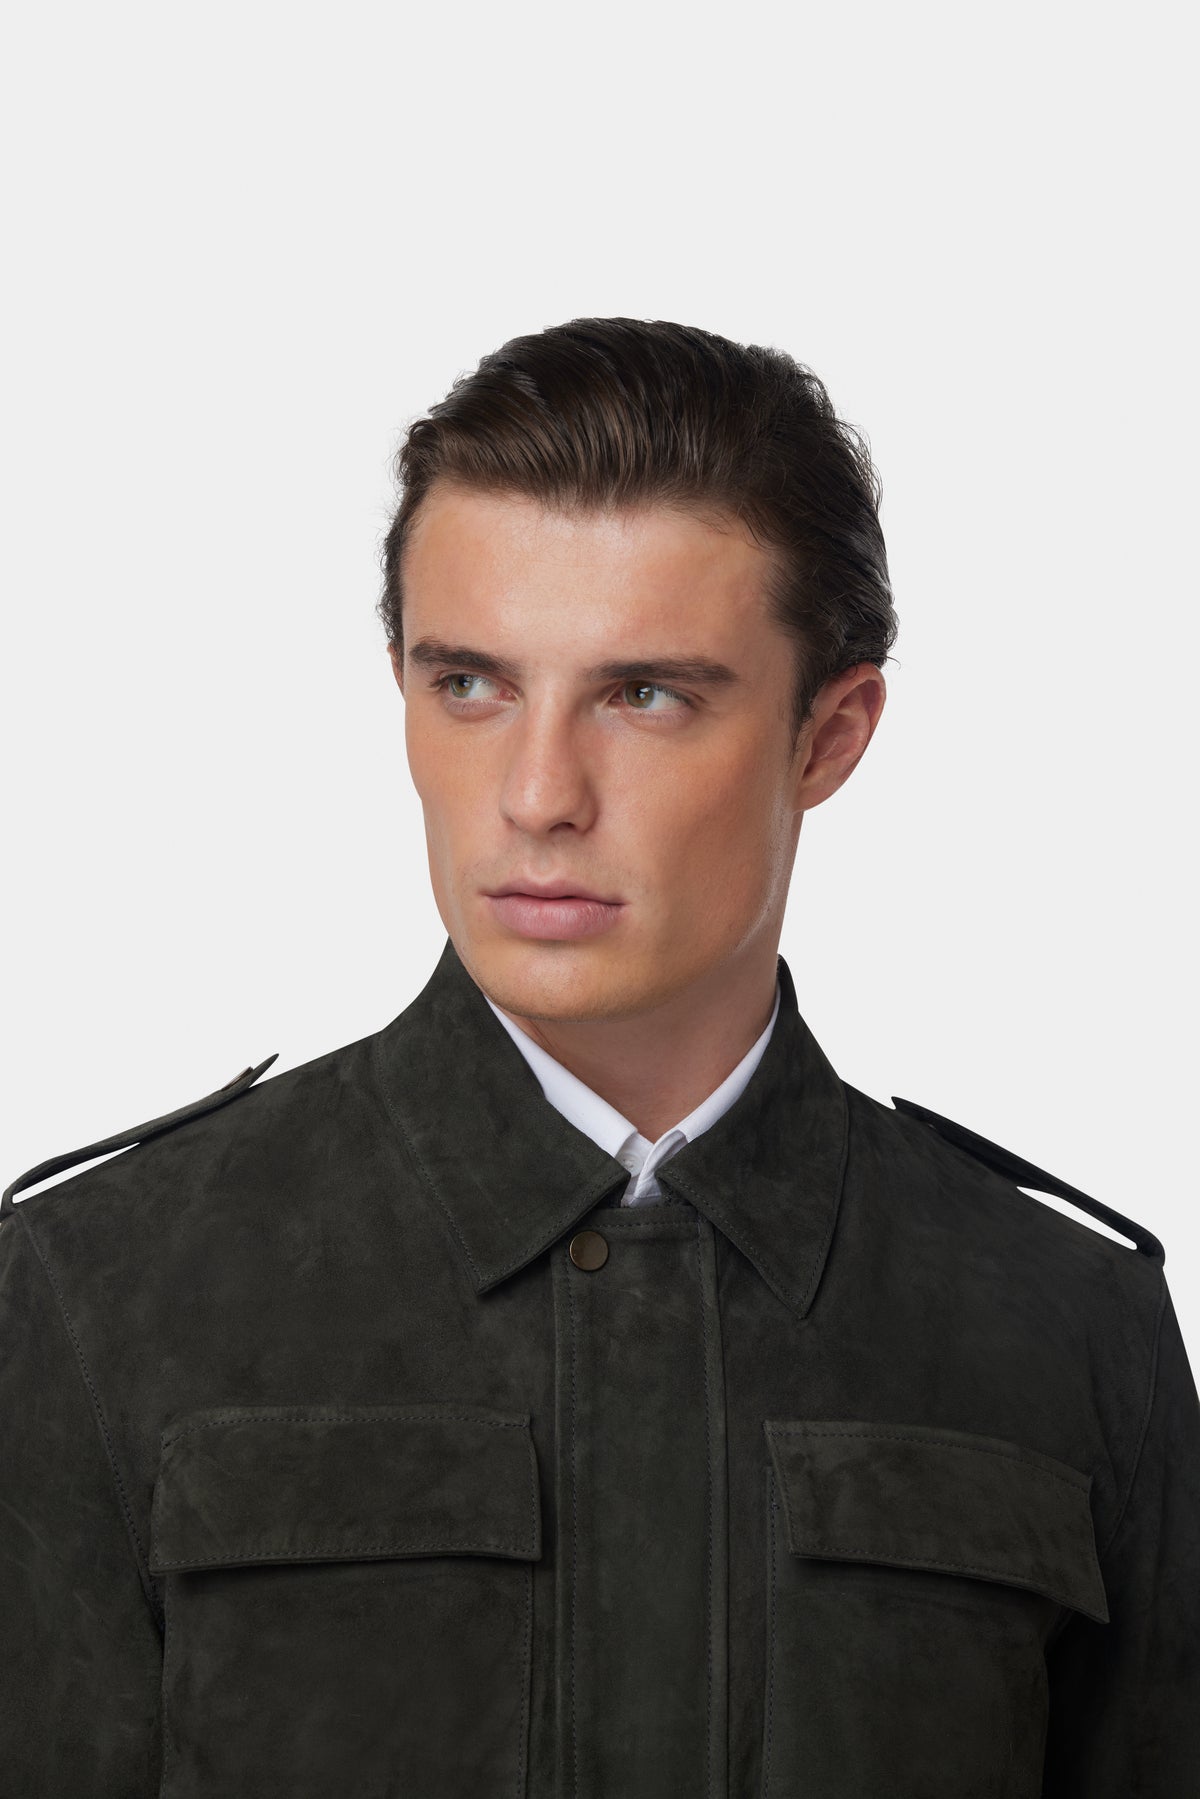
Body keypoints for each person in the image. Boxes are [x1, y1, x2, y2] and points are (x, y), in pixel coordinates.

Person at [2, 317, 1196, 1798]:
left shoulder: (1073, 1328)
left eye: (645, 696)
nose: (537, 794)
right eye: (471, 684)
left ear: (829, 736)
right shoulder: (98, 1290)